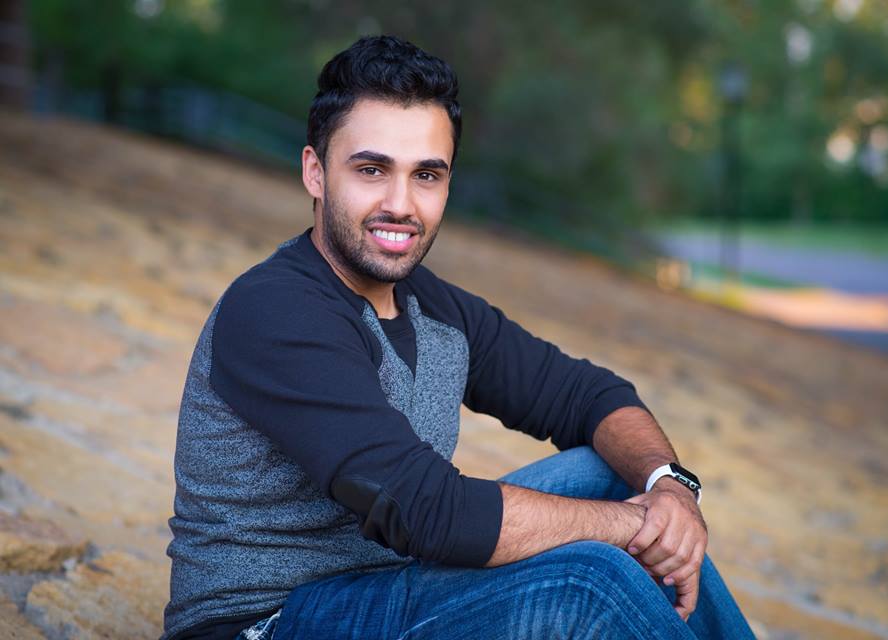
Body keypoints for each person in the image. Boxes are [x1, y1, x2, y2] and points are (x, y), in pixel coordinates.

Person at [161, 35, 755, 640]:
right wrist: (634, 527)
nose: (400, 204)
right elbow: (424, 510)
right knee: (587, 581)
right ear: (315, 172)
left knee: (617, 471)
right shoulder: (275, 309)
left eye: (426, 175)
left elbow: (587, 395)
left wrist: (670, 489)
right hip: (265, 620)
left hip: (391, 585)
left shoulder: (433, 308)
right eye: (371, 170)